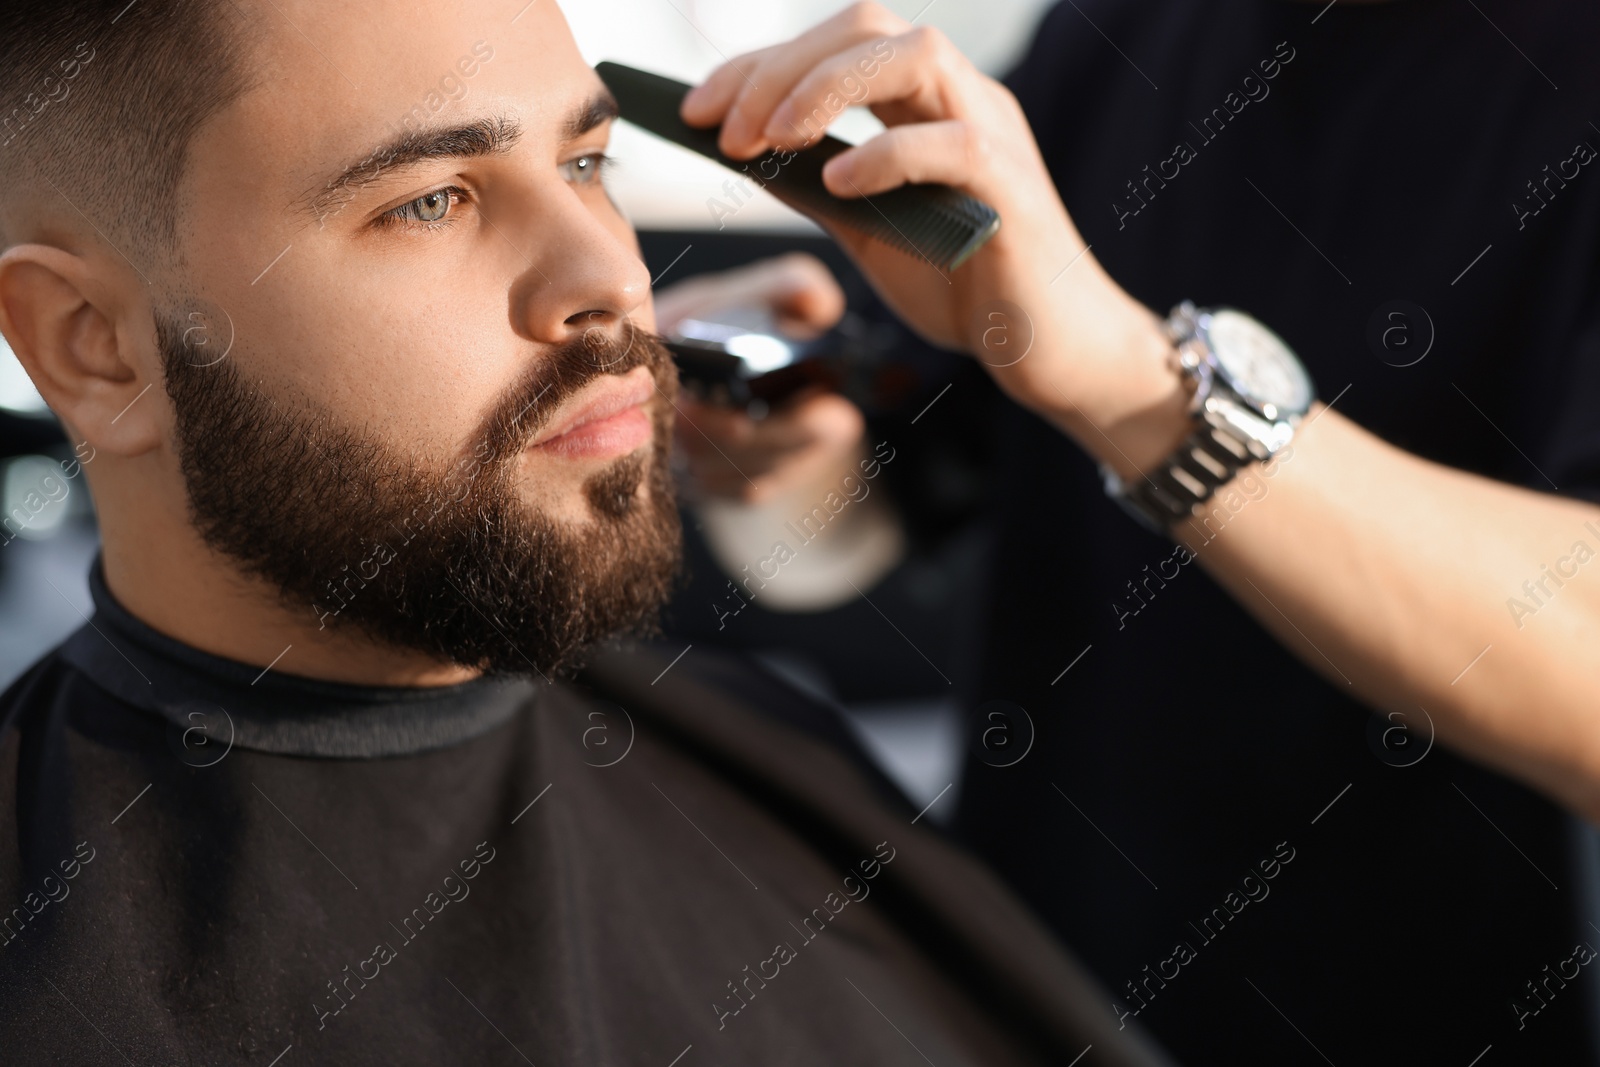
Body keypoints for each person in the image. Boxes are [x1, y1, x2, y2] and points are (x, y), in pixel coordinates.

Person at [0, 1, 1186, 1063]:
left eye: (584, 159)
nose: (609, 274)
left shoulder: (766, 755)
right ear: (92, 342)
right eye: (429, 200)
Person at [670, 0, 1600, 1061]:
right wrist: (772, 451)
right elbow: (886, 505)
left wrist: (1128, 380)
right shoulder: (1119, 33)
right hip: (1034, 995)